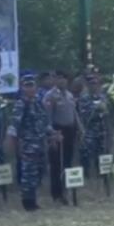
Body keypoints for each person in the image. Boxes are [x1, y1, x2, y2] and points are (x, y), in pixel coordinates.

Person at [6, 74, 59, 211]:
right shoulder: (21, 104)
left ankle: (33, 199)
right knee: (28, 174)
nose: (30, 88)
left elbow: (44, 122)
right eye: (27, 86)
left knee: (38, 173)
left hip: (40, 143)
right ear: (23, 88)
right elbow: (14, 125)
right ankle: (28, 202)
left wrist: (52, 133)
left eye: (32, 85)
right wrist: (12, 142)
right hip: (28, 144)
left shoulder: (38, 102)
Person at [42, 70, 82, 205]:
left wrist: (80, 128)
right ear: (55, 80)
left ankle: (67, 190)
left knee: (67, 162)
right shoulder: (50, 96)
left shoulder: (70, 95)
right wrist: (52, 133)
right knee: (56, 164)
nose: (62, 81)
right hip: (57, 131)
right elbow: (46, 118)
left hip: (70, 131)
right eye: (59, 79)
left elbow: (74, 113)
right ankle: (56, 194)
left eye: (64, 79)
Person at [78, 74, 110, 177]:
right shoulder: (84, 98)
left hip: (101, 129)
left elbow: (107, 112)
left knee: (101, 151)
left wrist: (104, 110)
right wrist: (96, 109)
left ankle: (102, 172)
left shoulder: (102, 97)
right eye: (92, 84)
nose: (94, 86)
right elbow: (84, 114)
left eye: (96, 84)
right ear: (88, 85)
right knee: (86, 152)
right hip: (89, 129)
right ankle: (86, 172)